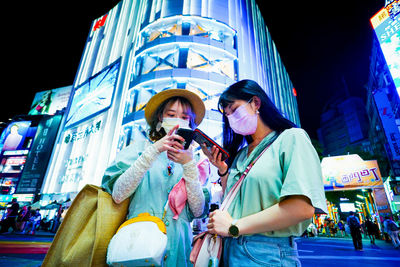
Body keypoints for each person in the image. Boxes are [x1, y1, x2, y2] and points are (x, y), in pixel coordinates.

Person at [203, 80, 327, 266]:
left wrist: (234, 226)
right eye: (227, 115)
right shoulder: (242, 154)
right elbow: (236, 201)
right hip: (230, 250)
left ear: (256, 103)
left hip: (267, 254)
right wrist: (222, 169)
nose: (231, 118)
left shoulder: (292, 138)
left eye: (234, 109)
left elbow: (302, 207)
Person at [102, 89, 210, 266]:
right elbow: (118, 194)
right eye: (171, 114)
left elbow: (198, 211)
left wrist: (188, 165)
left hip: (178, 247)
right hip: (137, 243)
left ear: (190, 123)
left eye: (184, 117)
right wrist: (152, 151)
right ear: (160, 117)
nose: (178, 120)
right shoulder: (138, 150)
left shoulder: (196, 161)